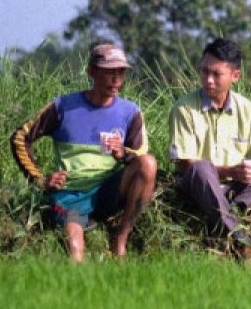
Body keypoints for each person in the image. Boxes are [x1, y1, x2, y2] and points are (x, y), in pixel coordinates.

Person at [10, 43, 157, 262]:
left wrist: (122, 154)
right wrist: (40, 179)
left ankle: (121, 237)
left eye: (121, 72)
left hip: (109, 189)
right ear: (91, 72)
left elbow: (140, 156)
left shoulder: (130, 112)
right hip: (71, 193)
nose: (116, 79)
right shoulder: (63, 107)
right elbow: (20, 137)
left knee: (149, 163)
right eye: (109, 72)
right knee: (75, 249)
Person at [169, 37, 251, 267]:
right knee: (201, 167)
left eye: (216, 74)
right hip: (201, 186)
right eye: (204, 72)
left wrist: (246, 174)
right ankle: (241, 240)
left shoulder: (247, 109)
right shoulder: (183, 108)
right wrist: (229, 171)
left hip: (239, 190)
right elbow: (185, 165)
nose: (208, 80)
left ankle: (236, 210)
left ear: (235, 76)